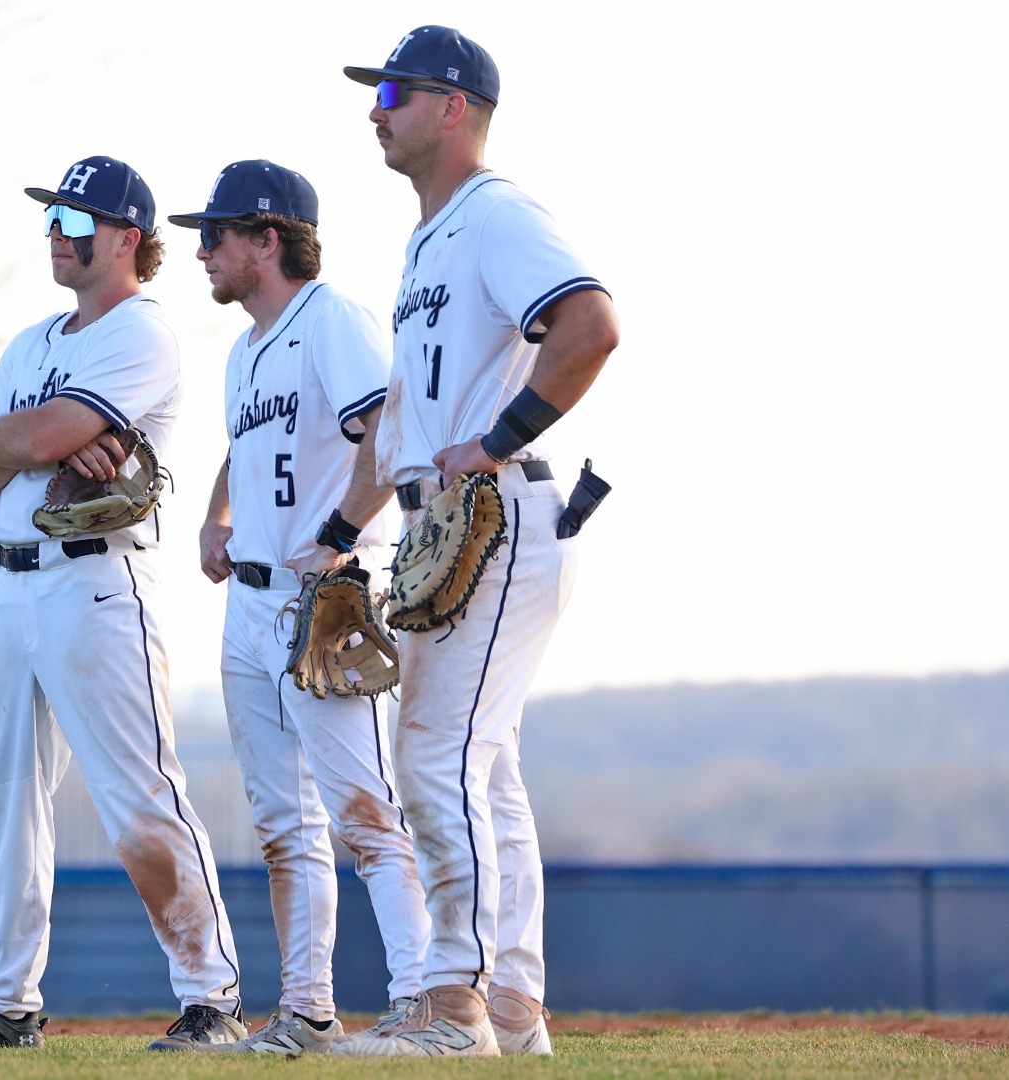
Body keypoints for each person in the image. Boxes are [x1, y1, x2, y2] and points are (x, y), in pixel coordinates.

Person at [0, 156, 245, 1053]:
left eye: (75, 217)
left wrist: (3, 435)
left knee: (138, 795)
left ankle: (213, 999)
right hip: (9, 581)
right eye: (53, 214)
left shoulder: (143, 332)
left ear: (128, 237)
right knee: (5, 800)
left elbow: (38, 435)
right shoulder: (31, 341)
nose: (57, 228)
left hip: (97, 582)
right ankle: (7, 1004)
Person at [327, 27, 620, 1059]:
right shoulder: (427, 240)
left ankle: (453, 1009)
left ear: (454, 107)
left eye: (396, 90)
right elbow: (406, 417)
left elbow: (590, 324)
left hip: (496, 523)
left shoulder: (497, 213)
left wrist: (493, 444)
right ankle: (511, 1011)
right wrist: (337, 539)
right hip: (448, 531)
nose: (377, 107)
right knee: (482, 771)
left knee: (436, 755)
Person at [167, 160, 429, 1057]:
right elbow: (248, 450)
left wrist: (341, 534)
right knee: (283, 827)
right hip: (248, 607)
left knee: (366, 813)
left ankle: (422, 1006)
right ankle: (308, 1012)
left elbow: (388, 435)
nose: (201, 251)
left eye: (216, 235)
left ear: (267, 239)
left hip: (322, 601)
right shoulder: (245, 348)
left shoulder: (334, 322)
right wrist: (215, 515)